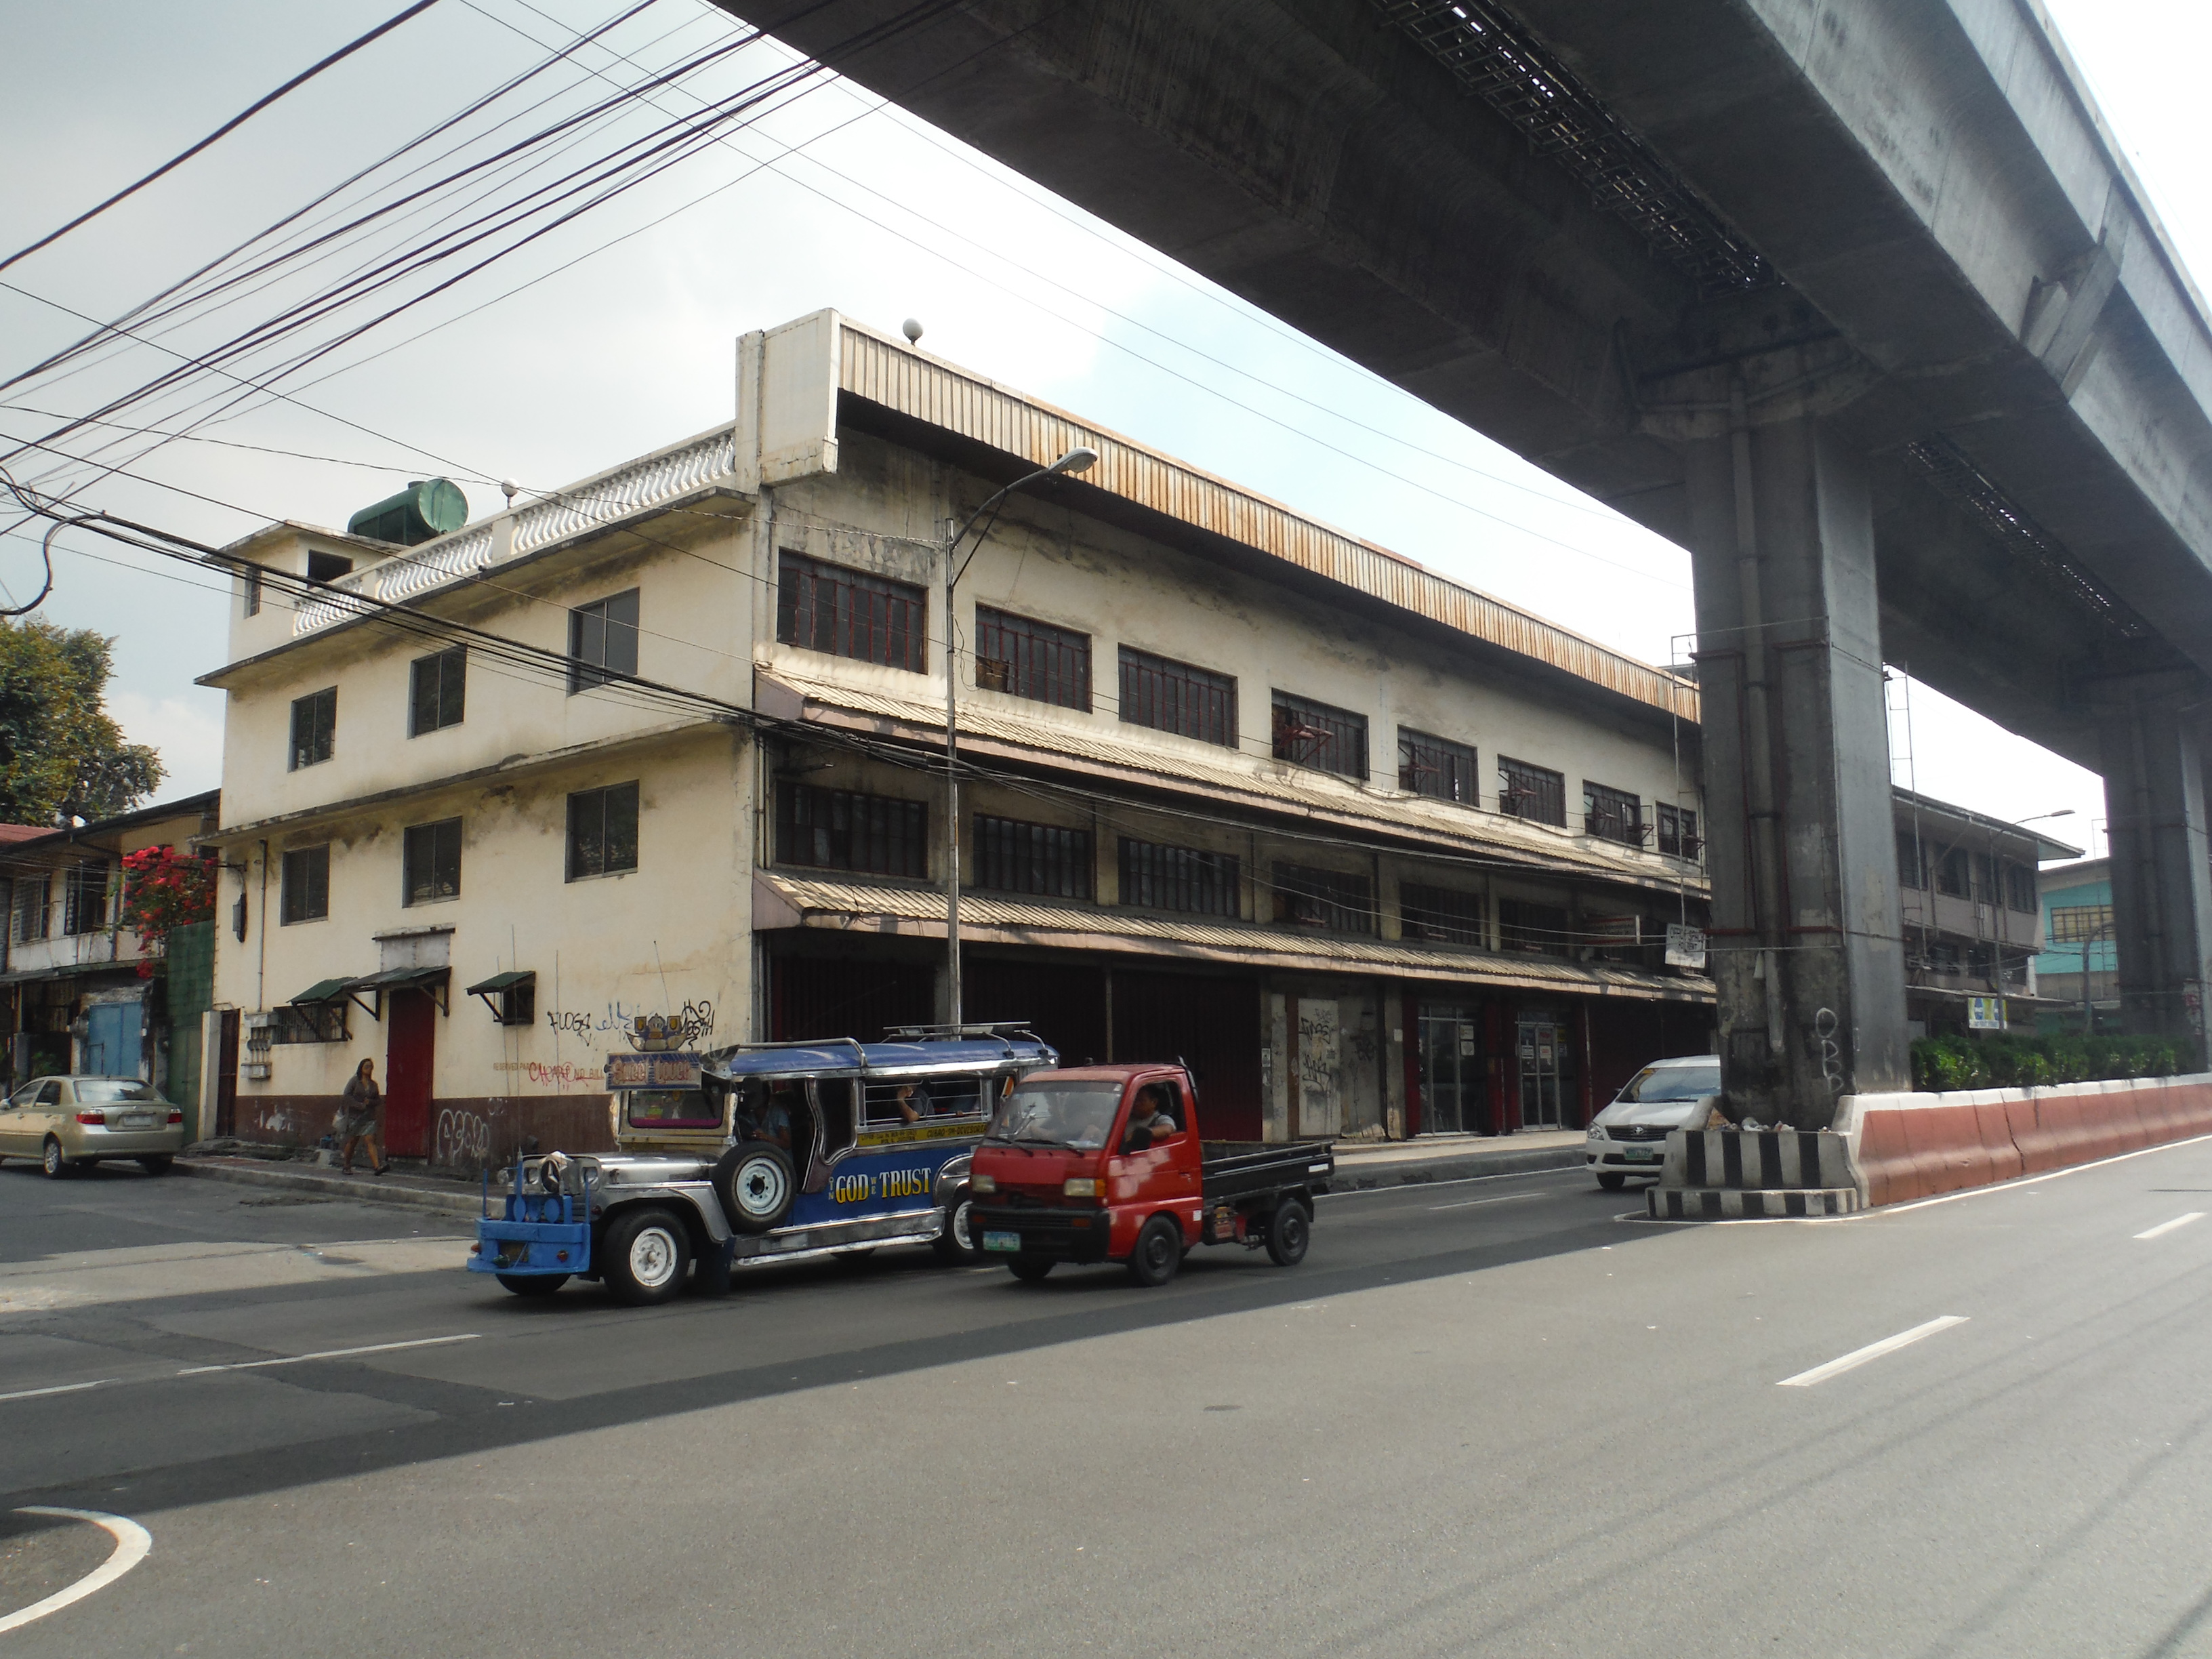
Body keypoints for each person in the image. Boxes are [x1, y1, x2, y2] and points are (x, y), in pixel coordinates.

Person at [335, 1059, 388, 1176]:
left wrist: (370, 1102)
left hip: (369, 1117)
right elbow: (347, 1096)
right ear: (361, 1068)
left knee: (370, 1140)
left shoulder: (373, 1085)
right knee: (352, 1141)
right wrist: (359, 1105)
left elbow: (378, 1100)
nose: (369, 1069)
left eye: (371, 1067)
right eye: (367, 1066)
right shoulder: (354, 1082)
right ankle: (346, 1165)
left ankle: (377, 1167)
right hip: (355, 1117)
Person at [1124, 1084, 1179, 1149]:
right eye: (1134, 1100)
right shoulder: (1124, 1118)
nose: (1136, 1104)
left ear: (1154, 1102)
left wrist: (1141, 1134)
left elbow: (1167, 1129)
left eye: (1141, 1100)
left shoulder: (1160, 1119)